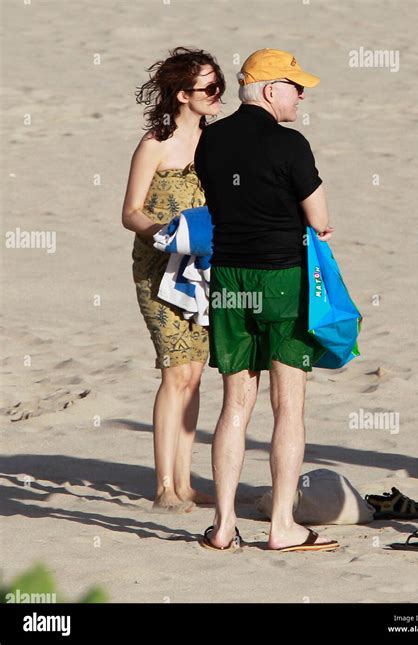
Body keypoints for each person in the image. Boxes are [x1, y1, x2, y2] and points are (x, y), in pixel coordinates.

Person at [194, 48, 339, 551]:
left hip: (231, 279)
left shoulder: (210, 141)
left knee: (235, 403)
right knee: (288, 405)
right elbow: (319, 219)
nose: (302, 94)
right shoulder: (290, 143)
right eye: (295, 86)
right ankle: (281, 525)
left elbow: (218, 201)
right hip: (282, 279)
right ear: (270, 89)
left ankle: (224, 525)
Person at [122, 47, 225, 512]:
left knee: (195, 374)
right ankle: (164, 485)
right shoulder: (155, 143)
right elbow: (129, 212)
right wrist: (162, 234)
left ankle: (185, 483)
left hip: (202, 271)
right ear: (183, 95)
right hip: (159, 268)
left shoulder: (217, 141)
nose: (217, 95)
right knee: (173, 370)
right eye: (209, 88)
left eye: (219, 85)